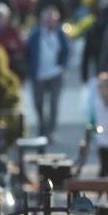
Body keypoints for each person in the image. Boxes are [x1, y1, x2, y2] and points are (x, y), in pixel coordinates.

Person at [26, 7, 70, 140]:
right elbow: (27, 53)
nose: (50, 22)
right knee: (38, 103)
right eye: (48, 20)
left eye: (53, 20)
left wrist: (63, 67)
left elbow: (67, 50)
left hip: (55, 73)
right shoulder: (35, 35)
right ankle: (42, 127)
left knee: (53, 103)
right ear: (42, 20)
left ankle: (50, 131)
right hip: (39, 74)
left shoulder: (60, 34)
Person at [0, 3, 26, 80]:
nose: (0, 20)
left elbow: (22, 46)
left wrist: (15, 47)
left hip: (11, 67)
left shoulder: (13, 31)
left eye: (2, 17)